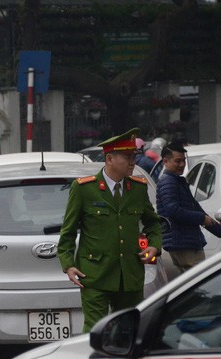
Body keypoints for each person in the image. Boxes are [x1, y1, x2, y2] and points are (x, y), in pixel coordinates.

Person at [58, 127, 162, 333]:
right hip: (95, 274)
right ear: (110, 158)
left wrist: (154, 246)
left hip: (130, 275)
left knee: (129, 330)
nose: (133, 162)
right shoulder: (84, 189)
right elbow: (68, 230)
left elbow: (153, 223)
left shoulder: (138, 188)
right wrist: (68, 264)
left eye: (134, 156)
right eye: (127, 157)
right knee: (95, 330)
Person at [156, 138, 221, 273]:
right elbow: (172, 210)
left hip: (184, 242)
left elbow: (196, 208)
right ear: (165, 161)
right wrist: (201, 218)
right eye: (177, 161)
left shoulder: (177, 181)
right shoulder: (168, 182)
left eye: (183, 160)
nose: (182, 164)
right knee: (200, 282)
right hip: (183, 243)